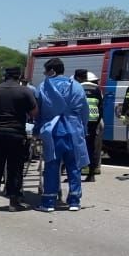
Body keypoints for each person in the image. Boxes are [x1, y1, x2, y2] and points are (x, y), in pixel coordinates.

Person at [35, 58, 89, 211]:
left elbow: (38, 111)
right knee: (74, 166)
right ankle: (74, 201)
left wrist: (37, 129)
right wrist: (83, 128)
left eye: (46, 71)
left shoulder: (45, 86)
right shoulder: (77, 86)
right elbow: (84, 111)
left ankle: (49, 202)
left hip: (53, 131)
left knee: (52, 166)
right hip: (74, 131)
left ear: (51, 71)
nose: (45, 74)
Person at [0, 66, 36, 211]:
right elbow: (34, 112)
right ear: (19, 76)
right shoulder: (25, 91)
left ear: (5, 75)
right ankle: (13, 202)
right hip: (16, 134)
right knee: (15, 169)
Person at [76, 69, 103, 182]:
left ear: (77, 77)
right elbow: (101, 107)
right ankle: (91, 175)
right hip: (93, 121)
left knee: (77, 147)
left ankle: (75, 174)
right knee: (90, 147)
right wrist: (97, 121)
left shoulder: (77, 87)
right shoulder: (96, 89)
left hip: (80, 121)